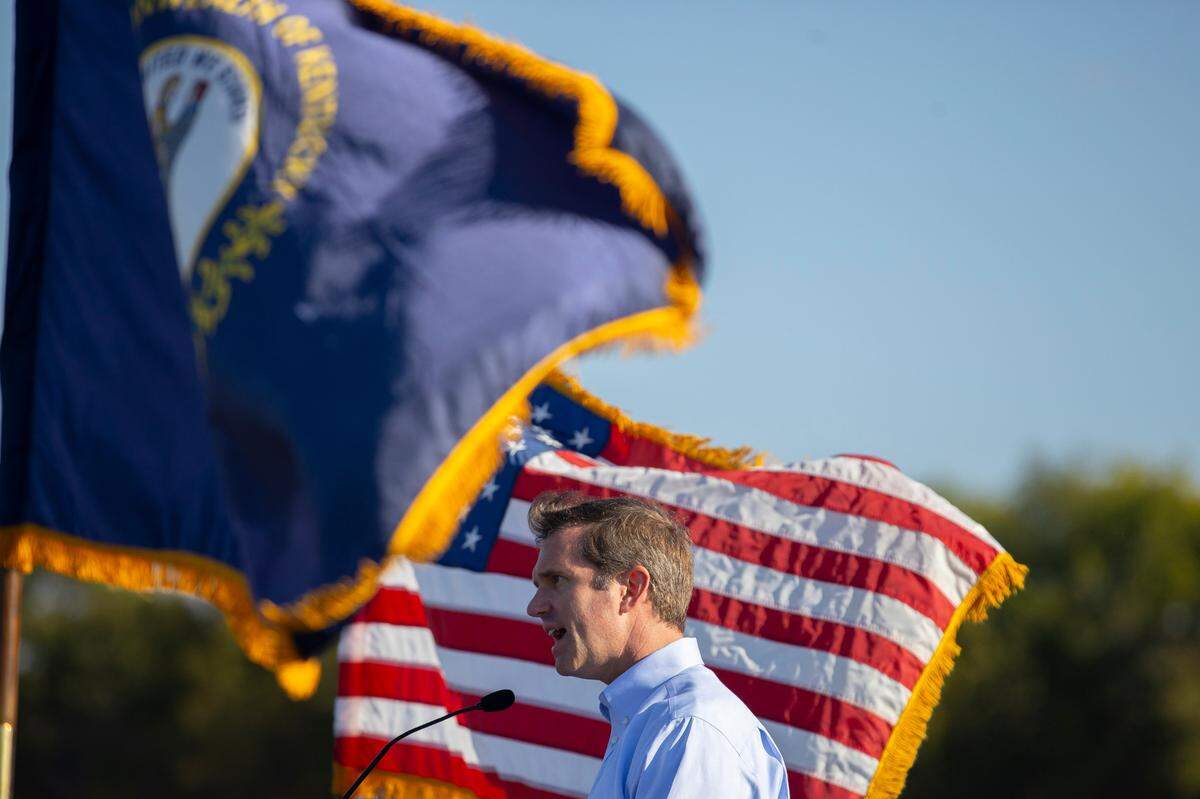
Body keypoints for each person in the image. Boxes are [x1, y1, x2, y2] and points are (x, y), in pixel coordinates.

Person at [525, 491, 790, 799]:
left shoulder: (687, 728)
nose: (535, 607)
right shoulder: (658, 721)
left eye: (557, 580)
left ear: (631, 589)